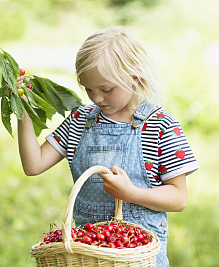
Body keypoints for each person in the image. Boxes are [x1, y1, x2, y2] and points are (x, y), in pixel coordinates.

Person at [18, 26, 199, 266]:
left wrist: (131, 193)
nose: (96, 98)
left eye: (106, 89)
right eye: (88, 89)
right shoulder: (80, 121)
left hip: (138, 259)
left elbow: (178, 197)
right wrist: (23, 111)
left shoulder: (160, 126)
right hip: (90, 257)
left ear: (135, 77)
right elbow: (34, 165)